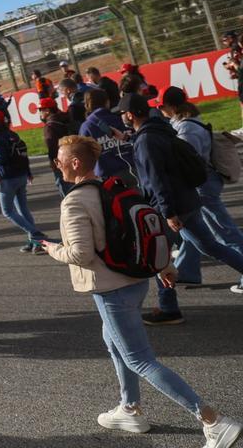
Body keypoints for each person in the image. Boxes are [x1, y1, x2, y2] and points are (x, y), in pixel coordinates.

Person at [41, 136, 241, 446]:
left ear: (75, 163)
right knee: (113, 342)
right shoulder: (115, 188)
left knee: (140, 360)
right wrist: (163, 266)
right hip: (135, 280)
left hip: (111, 290)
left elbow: (80, 253)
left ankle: (212, 420)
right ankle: (129, 408)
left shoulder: (75, 201)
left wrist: (53, 249)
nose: (56, 163)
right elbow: (139, 231)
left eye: (59, 158)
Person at [116, 93, 243, 325]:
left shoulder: (146, 140)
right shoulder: (160, 129)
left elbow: (157, 180)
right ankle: (169, 306)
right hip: (188, 200)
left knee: (159, 256)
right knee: (211, 246)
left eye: (123, 113)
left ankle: (169, 309)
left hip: (170, 207)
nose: (121, 116)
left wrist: (168, 213)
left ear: (131, 115)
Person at [158, 86, 243, 294]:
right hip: (202, 183)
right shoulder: (186, 123)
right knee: (193, 230)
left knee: (225, 233)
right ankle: (187, 271)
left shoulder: (186, 129)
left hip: (202, 186)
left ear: (171, 107)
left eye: (161, 106)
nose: (159, 110)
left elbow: (187, 163)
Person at [0, 110, 48, 253]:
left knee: (7, 211)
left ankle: (36, 234)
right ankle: (34, 242)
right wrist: (28, 172)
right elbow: (22, 155)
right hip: (21, 175)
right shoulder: (13, 134)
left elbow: (1, 159)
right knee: (23, 209)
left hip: (8, 178)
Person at [80, 87, 135, 181]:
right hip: (131, 169)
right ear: (107, 102)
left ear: (87, 105)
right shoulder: (122, 118)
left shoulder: (87, 126)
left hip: (105, 176)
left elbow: (84, 154)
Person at [40, 97, 73, 196]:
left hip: (61, 160)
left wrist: (53, 161)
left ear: (47, 110)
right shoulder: (66, 118)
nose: (40, 113)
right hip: (73, 155)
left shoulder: (49, 126)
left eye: (41, 110)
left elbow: (52, 145)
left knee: (65, 189)